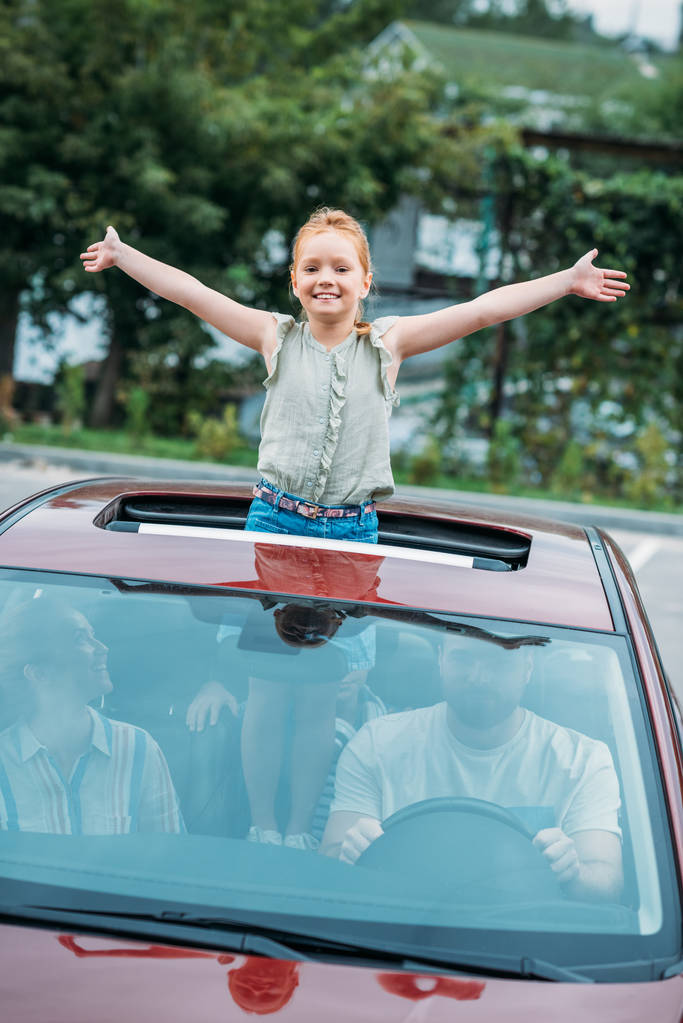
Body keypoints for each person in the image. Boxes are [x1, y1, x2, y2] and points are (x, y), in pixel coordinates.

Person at [80, 209, 629, 544]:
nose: (327, 279)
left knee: (342, 669)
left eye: (342, 269)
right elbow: (192, 293)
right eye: (313, 268)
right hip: (274, 520)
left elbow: (483, 310)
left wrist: (565, 280)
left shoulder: (389, 344)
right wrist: (124, 254)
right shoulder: (276, 337)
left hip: (355, 527)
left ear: (365, 281)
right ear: (293, 280)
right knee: (264, 658)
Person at [320, 631, 623, 903]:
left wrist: (574, 872)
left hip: (530, 951)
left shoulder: (581, 761)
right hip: (389, 942)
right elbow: (328, 867)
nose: (479, 677)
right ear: (440, 660)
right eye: (463, 658)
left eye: (498, 662)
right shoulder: (377, 745)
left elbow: (607, 883)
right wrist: (349, 854)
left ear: (528, 667)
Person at [0, 594, 183, 834]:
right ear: (38, 673)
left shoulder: (138, 748)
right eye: (79, 638)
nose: (102, 648)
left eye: (93, 635)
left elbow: (169, 856)